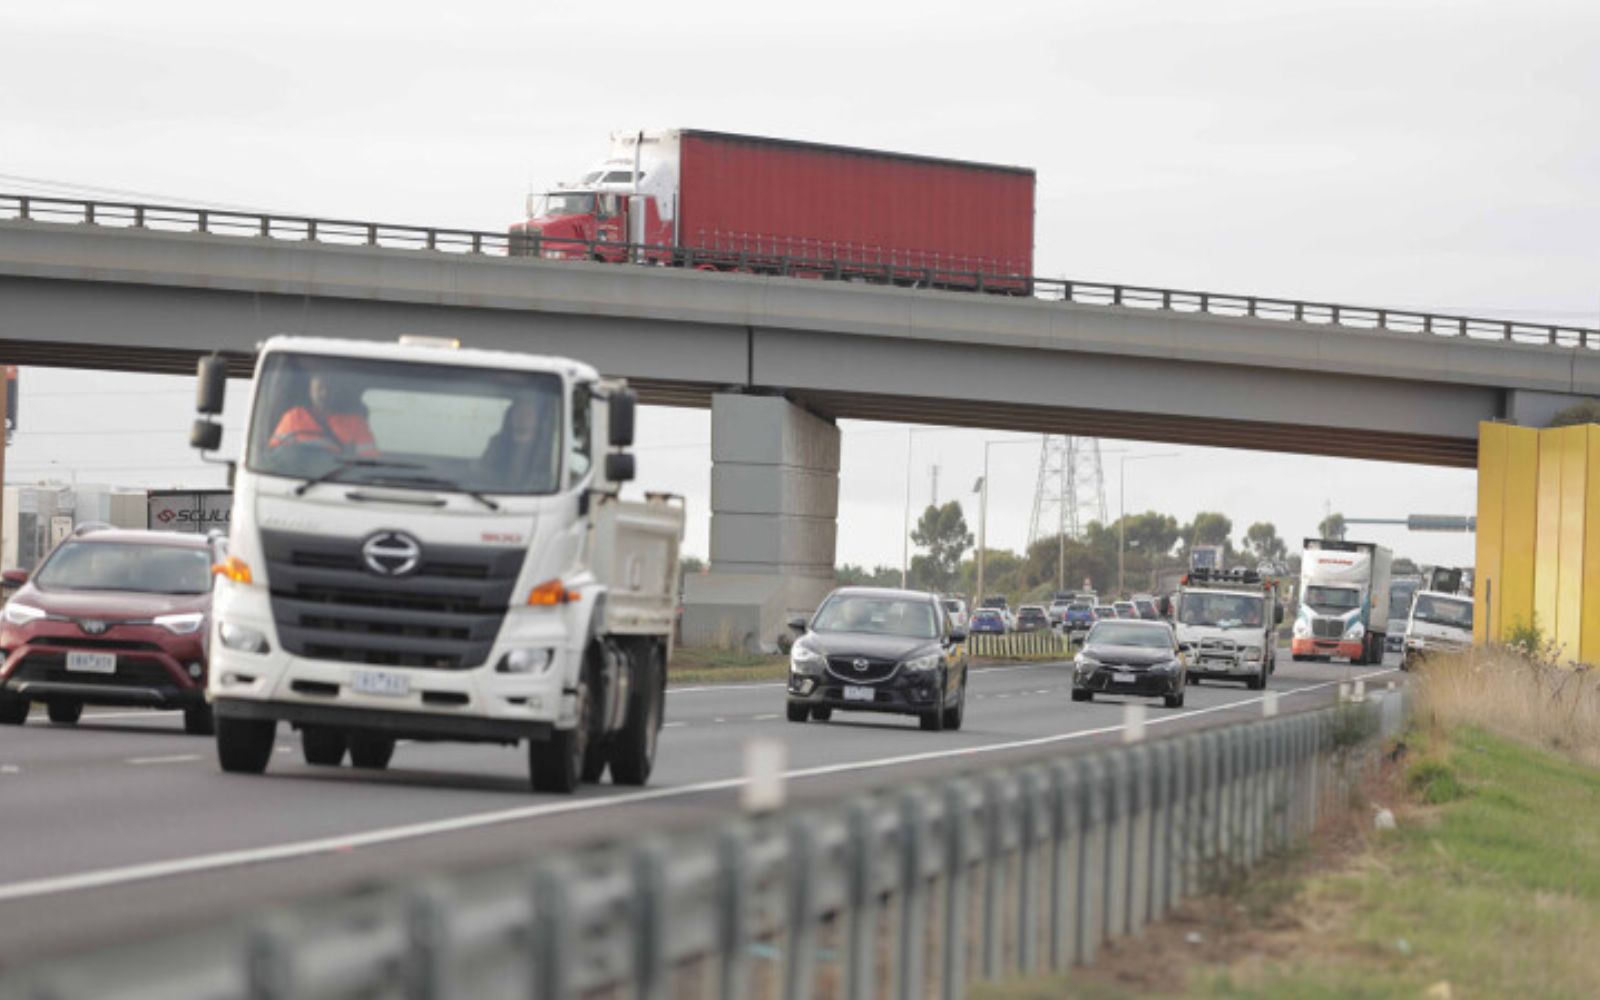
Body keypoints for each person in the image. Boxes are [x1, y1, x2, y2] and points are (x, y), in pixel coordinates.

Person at [269, 374, 377, 457]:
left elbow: (368, 460)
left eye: (329, 389)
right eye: (319, 388)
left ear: (337, 392)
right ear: (310, 391)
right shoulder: (293, 417)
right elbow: (276, 454)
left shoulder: (356, 423)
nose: (324, 393)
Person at [477, 396, 557, 492]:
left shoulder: (548, 447)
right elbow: (483, 470)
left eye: (528, 414)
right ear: (510, 417)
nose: (522, 418)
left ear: (537, 420)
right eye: (518, 413)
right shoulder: (497, 443)